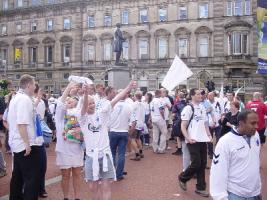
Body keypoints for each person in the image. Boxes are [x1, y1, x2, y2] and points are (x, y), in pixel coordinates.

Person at [79, 81, 136, 200]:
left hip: (105, 155)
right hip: (90, 156)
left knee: (106, 186)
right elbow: (83, 108)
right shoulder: (83, 118)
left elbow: (115, 99)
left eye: (93, 103)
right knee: (92, 186)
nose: (92, 105)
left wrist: (128, 87)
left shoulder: (102, 113)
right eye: (89, 104)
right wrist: (85, 94)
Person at [210, 110, 262, 200]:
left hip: (255, 194)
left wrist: (257, 190)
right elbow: (217, 173)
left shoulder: (255, 135)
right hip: (235, 195)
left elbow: (254, 162)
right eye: (253, 123)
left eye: (257, 123)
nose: (256, 126)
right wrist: (221, 197)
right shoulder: (225, 142)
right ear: (241, 123)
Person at [8, 74, 43, 200]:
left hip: (18, 144)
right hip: (24, 145)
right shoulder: (24, 99)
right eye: (34, 84)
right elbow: (22, 124)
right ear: (28, 85)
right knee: (31, 180)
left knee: (17, 177)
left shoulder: (17, 98)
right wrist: (27, 144)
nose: (35, 86)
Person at [178, 88, 212, 198]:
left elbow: (205, 123)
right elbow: (183, 125)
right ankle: (183, 177)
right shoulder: (188, 108)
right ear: (192, 96)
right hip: (192, 139)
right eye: (197, 94)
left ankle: (200, 188)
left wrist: (209, 135)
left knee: (202, 164)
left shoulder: (202, 107)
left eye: (201, 94)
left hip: (203, 139)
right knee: (196, 163)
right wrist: (188, 138)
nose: (200, 96)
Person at [55, 82, 84, 200]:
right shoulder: (60, 116)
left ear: (75, 103)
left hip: (77, 148)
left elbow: (83, 104)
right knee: (65, 174)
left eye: (71, 101)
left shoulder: (78, 114)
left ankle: (77, 197)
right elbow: (61, 102)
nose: (68, 103)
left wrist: (82, 94)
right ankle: (66, 197)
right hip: (64, 149)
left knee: (77, 173)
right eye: (67, 101)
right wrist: (68, 87)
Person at [109, 89, 132, 180]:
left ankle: (112, 173)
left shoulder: (112, 105)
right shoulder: (129, 106)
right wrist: (129, 132)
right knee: (121, 154)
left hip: (113, 131)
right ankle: (119, 174)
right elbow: (133, 122)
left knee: (112, 153)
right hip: (124, 132)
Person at [129, 91, 146, 161]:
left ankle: (137, 154)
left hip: (135, 123)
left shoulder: (134, 104)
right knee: (138, 138)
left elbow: (131, 113)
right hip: (141, 123)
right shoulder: (143, 104)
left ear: (135, 96)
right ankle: (141, 152)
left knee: (132, 138)